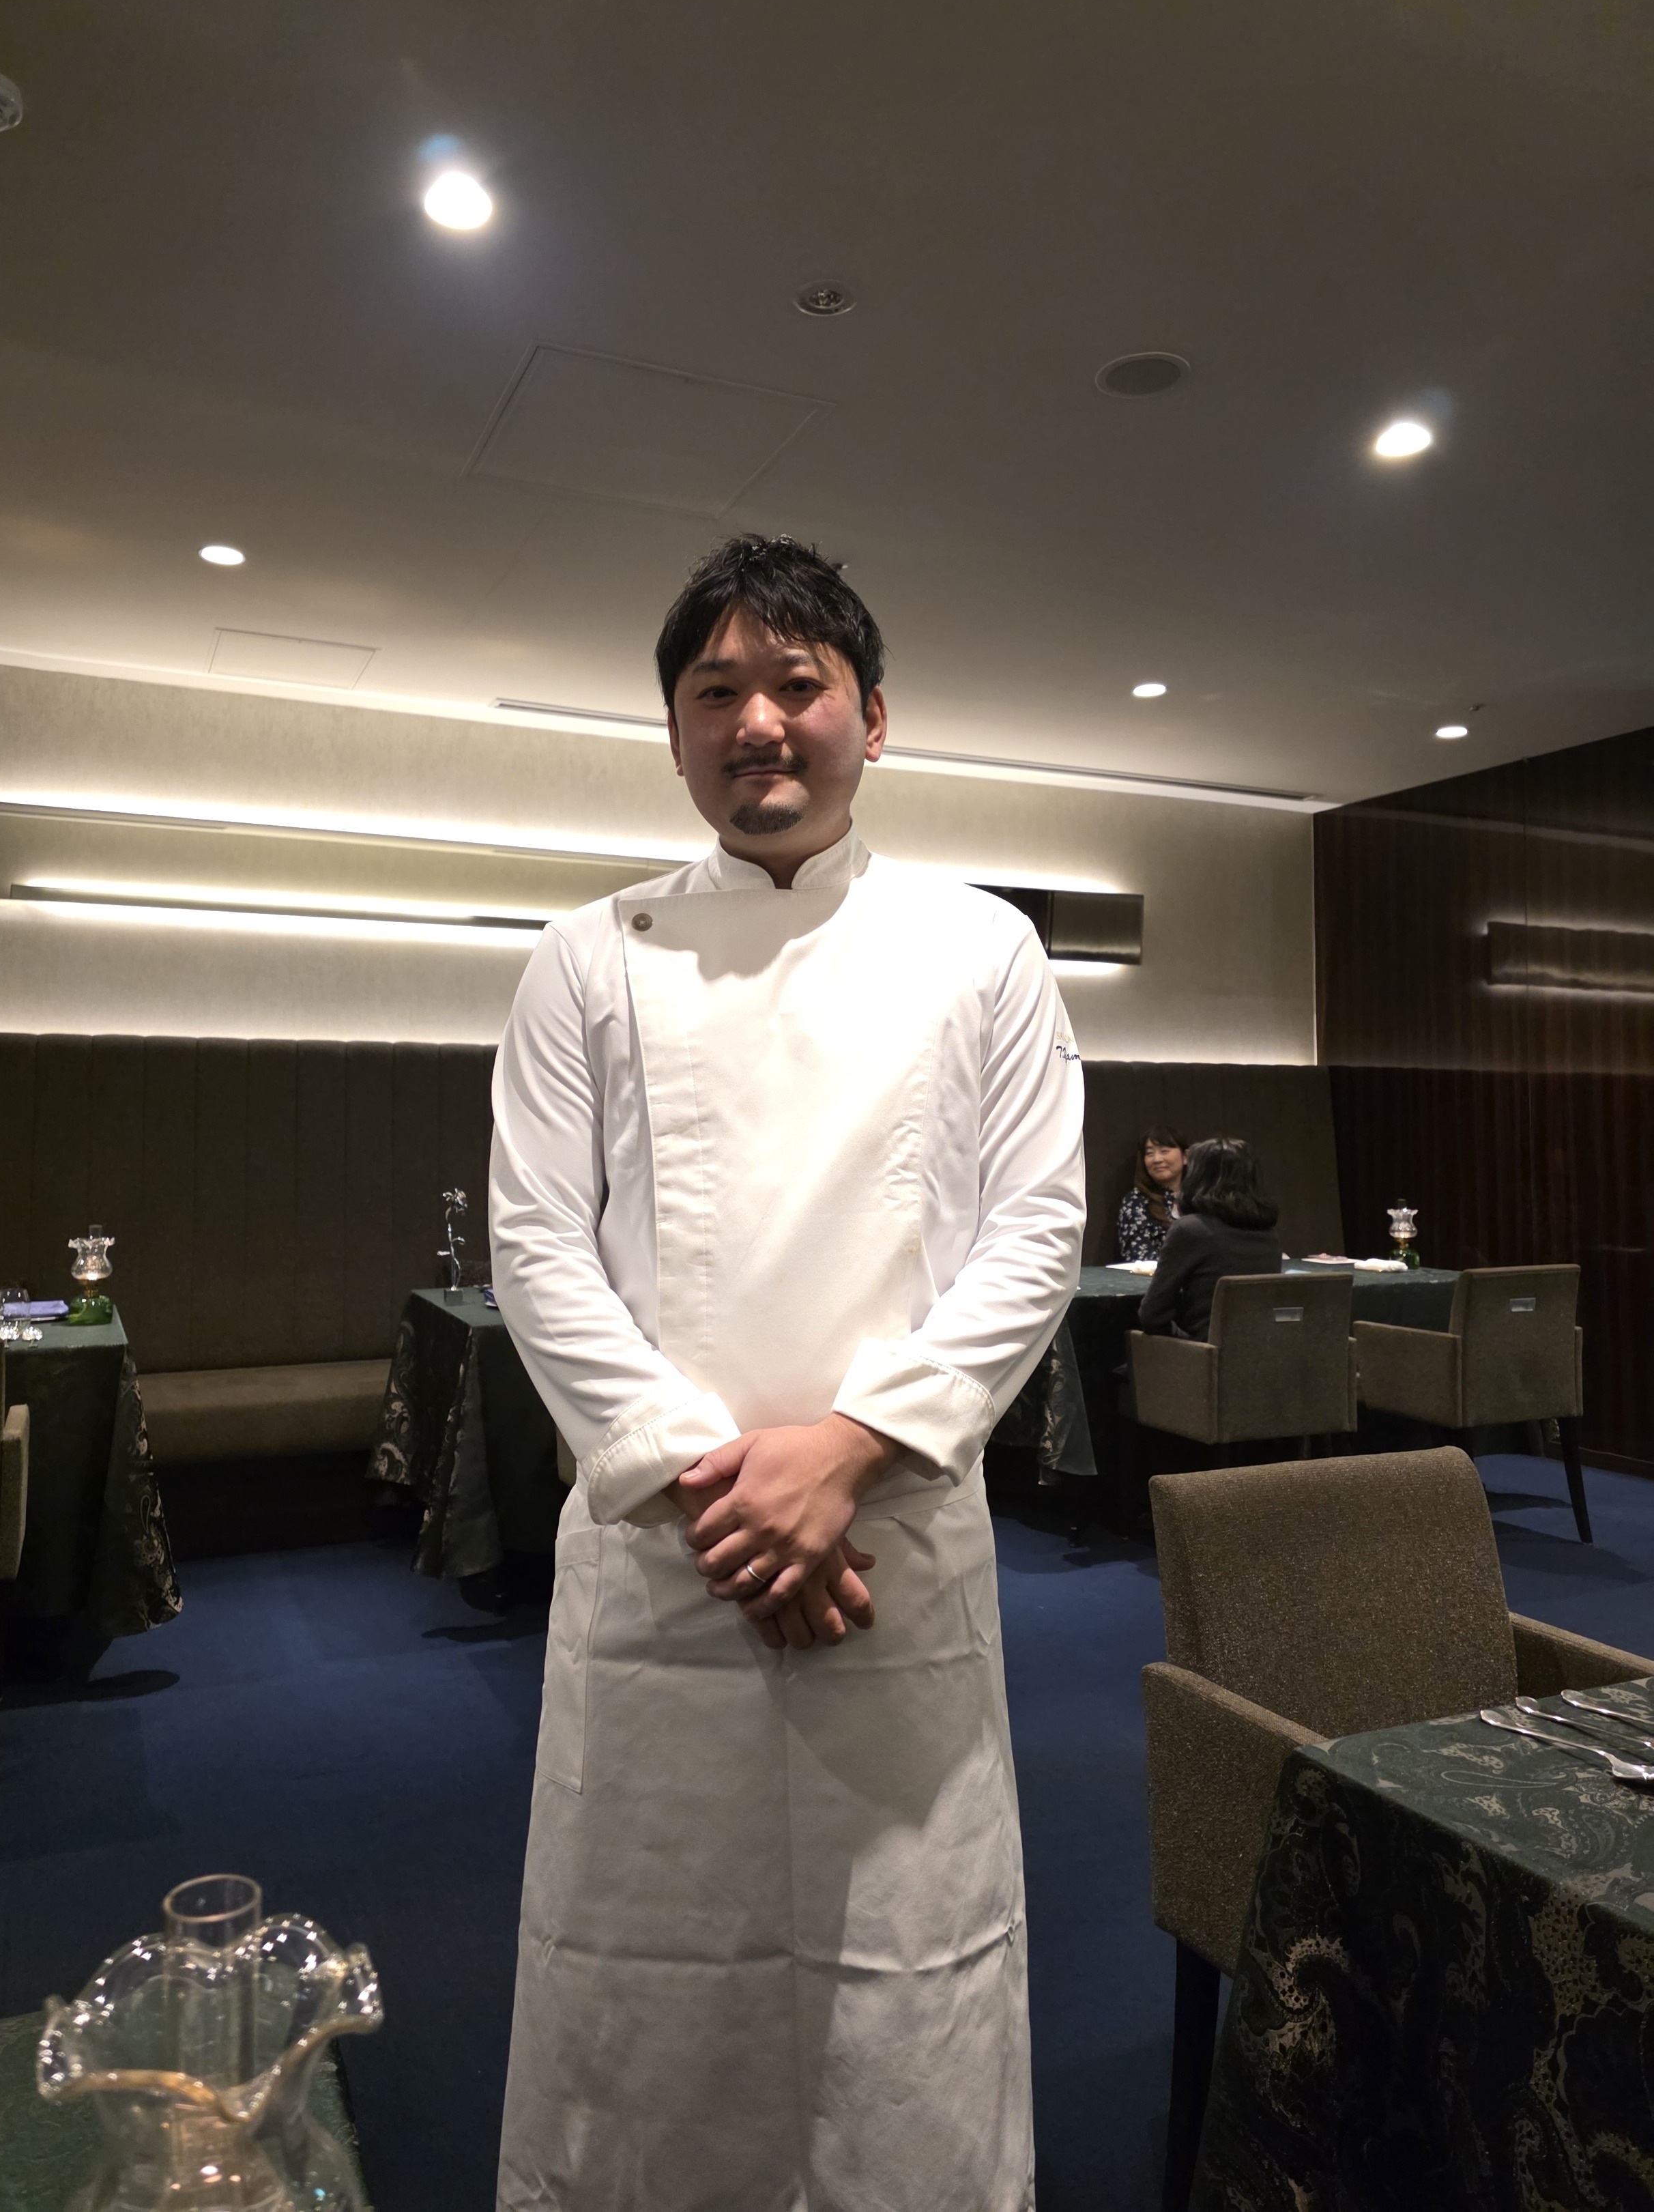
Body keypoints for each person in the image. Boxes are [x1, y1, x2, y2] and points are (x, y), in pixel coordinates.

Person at [489, 532, 1086, 2212]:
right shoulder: (584, 955)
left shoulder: (983, 947)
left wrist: (847, 1449)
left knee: (905, 1980)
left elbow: (1035, 1229)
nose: (756, 720)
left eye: (796, 683)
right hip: (668, 1558)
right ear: (675, 735)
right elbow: (535, 1245)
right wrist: (720, 1478)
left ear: (870, 717)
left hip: (889, 1543)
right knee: (644, 1977)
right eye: (714, 691)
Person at [1137, 1136, 1281, 1342]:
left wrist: (1186, 1343)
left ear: (1198, 1177)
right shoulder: (1269, 1232)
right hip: (1262, 1351)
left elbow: (1152, 1316)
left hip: (1202, 1354)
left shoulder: (1190, 1230)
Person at [1115, 1126, 1187, 1262]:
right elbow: (1138, 1257)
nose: (1157, 1159)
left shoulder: (1200, 1198)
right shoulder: (1136, 1201)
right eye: (1150, 1153)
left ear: (1185, 1157)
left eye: (1164, 1151)